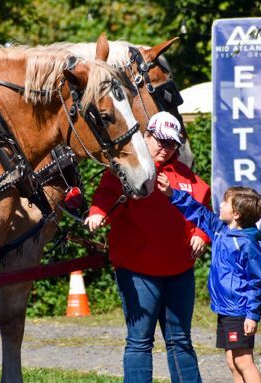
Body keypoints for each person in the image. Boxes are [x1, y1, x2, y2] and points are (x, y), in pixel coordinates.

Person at [84, 111, 211, 382]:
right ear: (147, 136)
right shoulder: (128, 169)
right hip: (137, 270)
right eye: (160, 141)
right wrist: (97, 212)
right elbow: (107, 195)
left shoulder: (186, 175)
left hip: (179, 270)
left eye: (172, 143)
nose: (165, 149)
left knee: (180, 341)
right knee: (140, 341)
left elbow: (205, 208)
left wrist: (202, 233)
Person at [157, 177, 261, 383]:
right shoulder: (220, 230)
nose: (221, 205)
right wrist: (171, 193)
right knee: (232, 362)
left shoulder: (247, 244)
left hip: (240, 311)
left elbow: (257, 282)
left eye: (226, 203)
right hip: (225, 310)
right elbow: (198, 212)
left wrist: (252, 315)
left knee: (244, 361)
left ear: (236, 214)